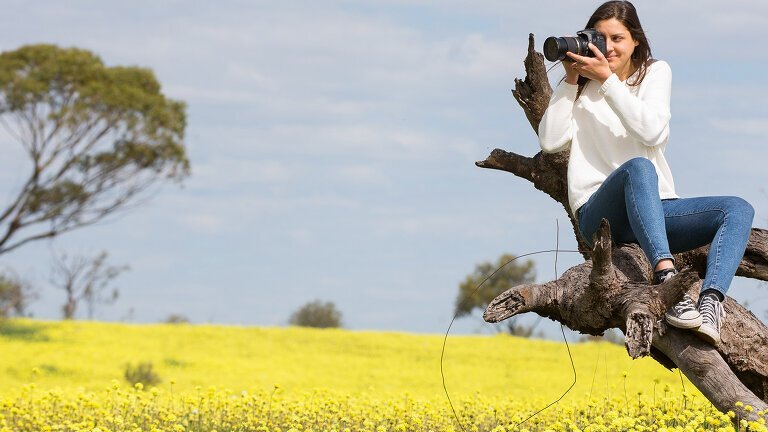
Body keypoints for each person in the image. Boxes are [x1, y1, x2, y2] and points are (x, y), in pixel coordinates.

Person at [537, 0, 754, 345]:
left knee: (738, 208)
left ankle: (711, 303)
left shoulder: (655, 73)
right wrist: (571, 78)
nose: (606, 48)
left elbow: (652, 131)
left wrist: (608, 82)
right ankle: (667, 280)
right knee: (638, 168)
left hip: (652, 210)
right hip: (600, 213)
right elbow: (550, 141)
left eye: (617, 38)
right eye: (599, 37)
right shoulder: (579, 88)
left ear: (636, 40)